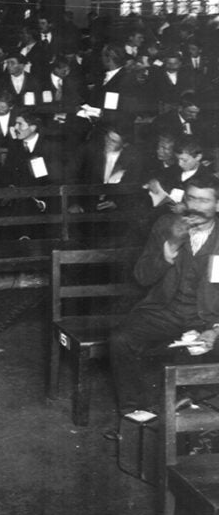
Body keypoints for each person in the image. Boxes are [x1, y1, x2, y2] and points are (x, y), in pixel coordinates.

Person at [108, 174, 219, 419]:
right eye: (191, 198)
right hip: (164, 311)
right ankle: (137, 412)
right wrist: (170, 246)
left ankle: (194, 410)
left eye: (204, 201)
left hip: (209, 318)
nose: (195, 206)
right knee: (121, 339)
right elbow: (142, 277)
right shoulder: (167, 224)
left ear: (218, 205)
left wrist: (215, 329)